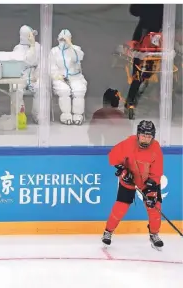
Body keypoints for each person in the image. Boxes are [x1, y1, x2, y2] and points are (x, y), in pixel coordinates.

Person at [102, 120, 164, 250]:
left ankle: (154, 234)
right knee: (120, 208)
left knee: (154, 208)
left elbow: (157, 170)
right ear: (138, 134)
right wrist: (123, 171)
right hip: (129, 180)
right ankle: (108, 232)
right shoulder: (128, 143)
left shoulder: (156, 147)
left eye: (149, 136)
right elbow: (113, 157)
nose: (146, 139)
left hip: (148, 182)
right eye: (144, 135)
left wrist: (152, 190)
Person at [125, 5, 164, 119]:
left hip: (156, 40)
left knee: (147, 74)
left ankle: (135, 99)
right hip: (142, 39)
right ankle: (131, 101)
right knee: (138, 75)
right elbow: (134, 11)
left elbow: (134, 11)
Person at [50, 29, 87, 125]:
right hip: (60, 78)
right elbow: (51, 67)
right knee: (64, 91)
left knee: (79, 90)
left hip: (76, 77)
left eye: (65, 39)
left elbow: (80, 57)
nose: (63, 41)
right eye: (62, 39)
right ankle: (66, 115)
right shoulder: (54, 51)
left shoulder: (75, 49)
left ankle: (78, 115)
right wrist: (58, 76)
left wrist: (71, 45)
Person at [13, 25, 40, 123]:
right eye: (31, 35)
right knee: (16, 89)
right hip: (22, 76)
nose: (33, 37)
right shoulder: (18, 48)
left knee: (41, 87)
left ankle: (38, 115)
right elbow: (28, 61)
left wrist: (38, 75)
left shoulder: (38, 46)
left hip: (35, 75)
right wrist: (32, 46)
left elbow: (43, 62)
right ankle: (21, 116)